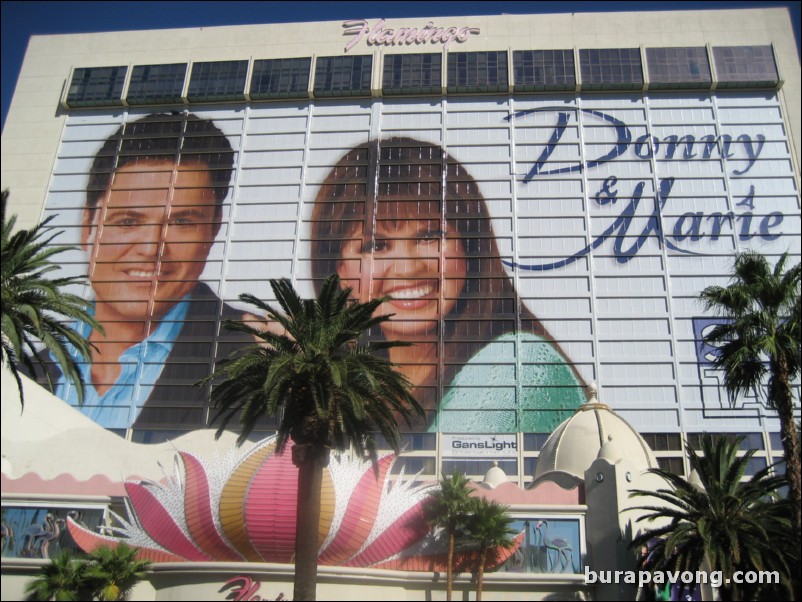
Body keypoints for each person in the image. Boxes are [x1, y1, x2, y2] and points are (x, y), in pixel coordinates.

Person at [310, 137, 587, 433]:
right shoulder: (351, 385)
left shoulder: (517, 367)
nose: (408, 268)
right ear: (337, 270)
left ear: (470, 246)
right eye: (376, 246)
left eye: (430, 236)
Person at [41, 112, 255, 431]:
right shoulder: (27, 368)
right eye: (128, 222)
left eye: (181, 223)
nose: (151, 248)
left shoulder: (254, 361)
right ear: (88, 226)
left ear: (213, 230)